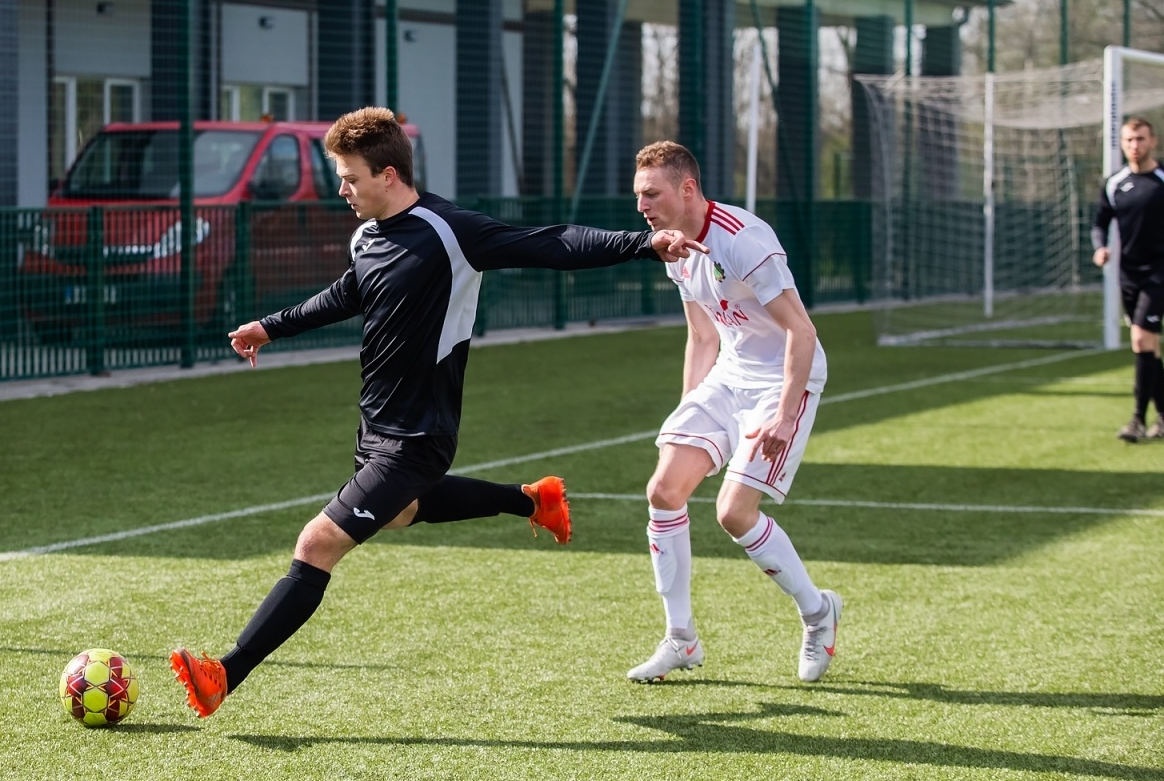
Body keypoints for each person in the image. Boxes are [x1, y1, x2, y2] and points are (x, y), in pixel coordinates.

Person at [169, 108, 708, 717]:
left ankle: (225, 674)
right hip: (376, 425)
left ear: (389, 174)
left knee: (317, 543)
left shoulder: (448, 229)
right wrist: (272, 326)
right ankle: (532, 500)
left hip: (420, 434)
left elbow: (550, 243)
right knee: (400, 513)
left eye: (349, 178)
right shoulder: (367, 234)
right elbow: (349, 292)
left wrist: (643, 243)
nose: (341, 190)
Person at [623, 140, 842, 684]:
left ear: (688, 189)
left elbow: (803, 331)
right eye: (638, 195)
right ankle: (682, 640)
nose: (642, 206)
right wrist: (688, 408)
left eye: (652, 193)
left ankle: (819, 614)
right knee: (663, 490)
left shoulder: (744, 240)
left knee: (733, 513)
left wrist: (785, 416)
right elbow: (701, 335)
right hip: (729, 374)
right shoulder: (674, 248)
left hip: (784, 379)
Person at [1092, 116, 1164, 442]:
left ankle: (1137, 420)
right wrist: (1100, 247)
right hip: (1128, 275)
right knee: (1149, 347)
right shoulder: (1114, 184)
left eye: (1141, 139)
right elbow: (1099, 222)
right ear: (1122, 144)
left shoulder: (1162, 180)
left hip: (1160, 273)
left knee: (1139, 338)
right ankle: (1163, 419)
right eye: (1129, 140)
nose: (1135, 146)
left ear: (1153, 142)